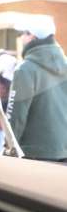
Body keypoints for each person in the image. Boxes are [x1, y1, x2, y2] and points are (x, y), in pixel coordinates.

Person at [7, 17, 67, 161]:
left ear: (32, 37)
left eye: (23, 33)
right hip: (63, 150)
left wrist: (10, 147)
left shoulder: (25, 69)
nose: (21, 37)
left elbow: (16, 115)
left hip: (34, 152)